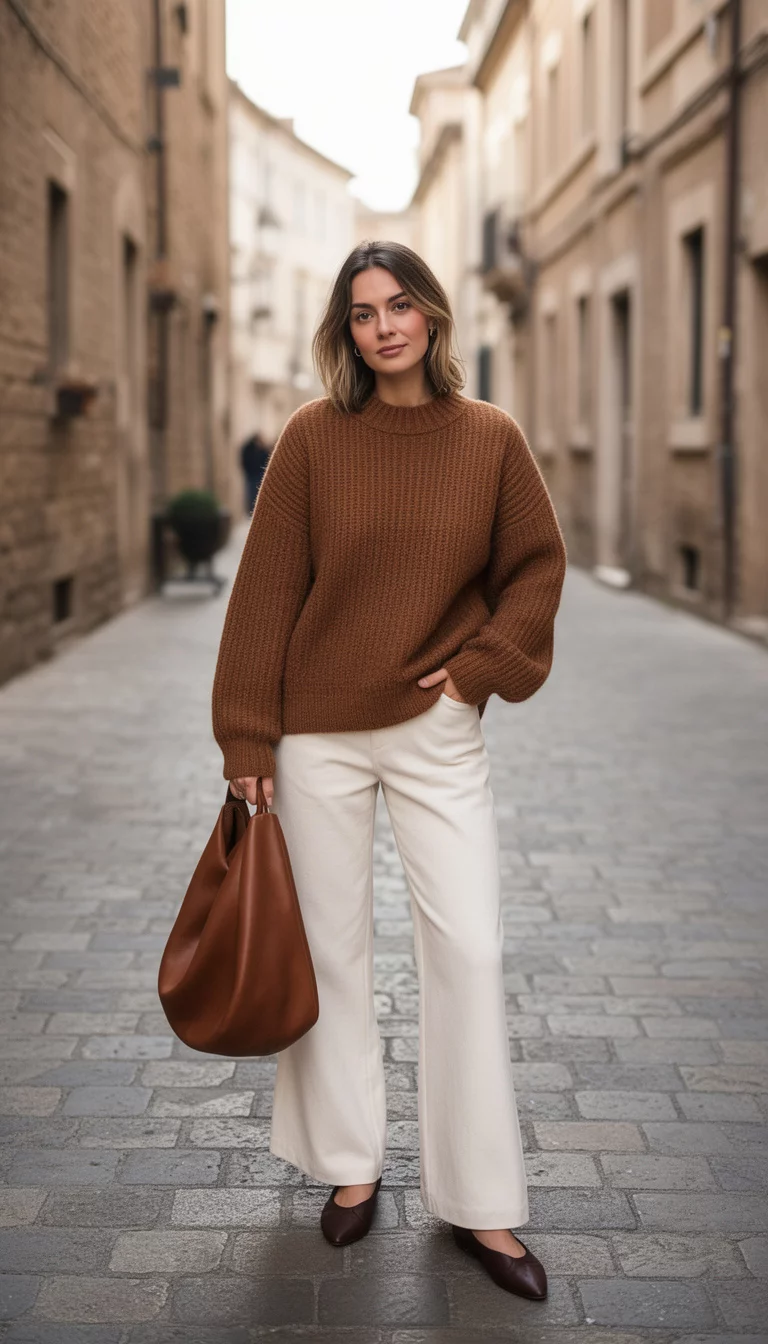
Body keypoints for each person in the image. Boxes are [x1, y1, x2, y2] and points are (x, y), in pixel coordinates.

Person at [211, 241, 567, 1301]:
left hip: (435, 730)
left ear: (432, 316)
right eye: (362, 313)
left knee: (467, 949)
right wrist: (246, 739)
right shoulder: (314, 440)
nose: (384, 328)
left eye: (399, 305)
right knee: (331, 955)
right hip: (317, 733)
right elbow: (266, 593)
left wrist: (477, 674)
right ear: (346, 332)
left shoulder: (491, 440)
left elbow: (536, 571)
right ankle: (349, 1167)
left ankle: (483, 1205)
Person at [239, 429, 271, 514]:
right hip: (252, 475)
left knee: (259, 494)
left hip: (260, 475)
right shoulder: (249, 449)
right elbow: (245, 461)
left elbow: (266, 460)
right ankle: (252, 511)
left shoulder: (263, 449)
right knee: (252, 494)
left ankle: (259, 511)